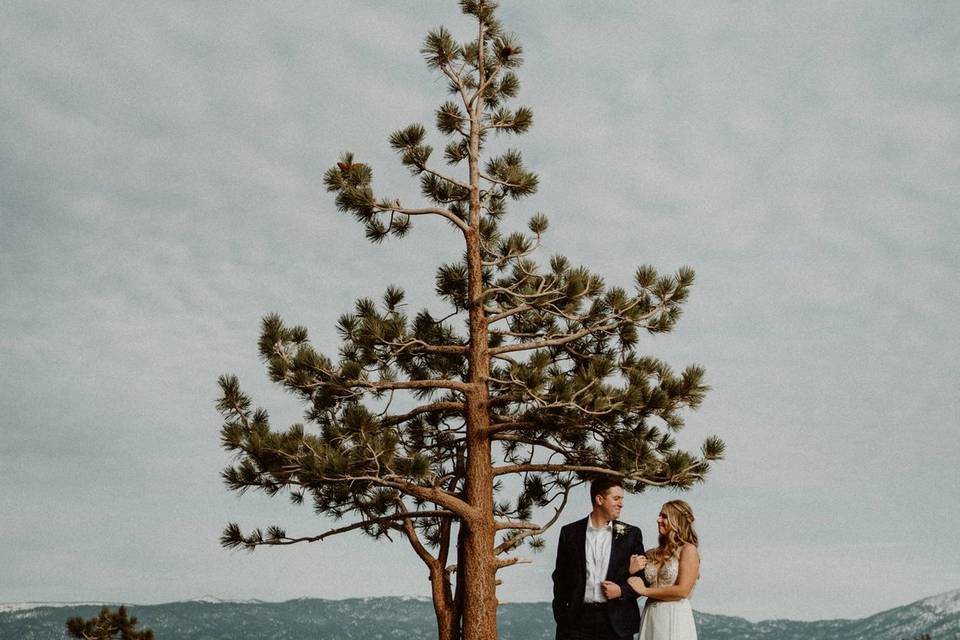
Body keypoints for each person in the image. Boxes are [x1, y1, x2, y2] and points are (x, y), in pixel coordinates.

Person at [552, 478, 646, 640]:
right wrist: (563, 619)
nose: (621, 504)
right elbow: (560, 578)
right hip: (577, 623)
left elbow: (643, 579)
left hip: (616, 623)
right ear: (599, 499)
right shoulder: (570, 533)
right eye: (616, 499)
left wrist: (621, 591)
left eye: (622, 499)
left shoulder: (631, 534)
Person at [626, 500, 701, 640]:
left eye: (664, 516)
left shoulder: (688, 550)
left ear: (677, 520)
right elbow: (635, 589)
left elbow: (682, 590)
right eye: (659, 515)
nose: (658, 519)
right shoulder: (650, 554)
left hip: (674, 615)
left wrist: (646, 591)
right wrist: (630, 572)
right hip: (650, 617)